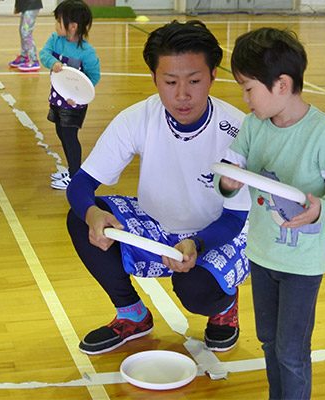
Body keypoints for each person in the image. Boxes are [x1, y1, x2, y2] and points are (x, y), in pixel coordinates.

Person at [66, 20, 251, 355]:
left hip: (214, 234)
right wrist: (93, 213)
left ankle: (223, 309)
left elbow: (235, 219)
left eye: (194, 81)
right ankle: (132, 315)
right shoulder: (137, 118)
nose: (182, 94)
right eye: (169, 82)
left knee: (194, 288)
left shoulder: (238, 131)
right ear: (154, 79)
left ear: (213, 77)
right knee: (80, 218)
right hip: (155, 227)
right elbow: (81, 185)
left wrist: (196, 242)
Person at [218, 28, 325, 400]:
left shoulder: (323, 131)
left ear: (281, 84)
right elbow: (229, 169)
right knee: (267, 342)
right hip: (262, 254)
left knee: (291, 352)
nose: (245, 99)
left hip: (303, 265)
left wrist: (320, 210)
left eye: (249, 89)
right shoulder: (253, 126)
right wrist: (228, 183)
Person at [39, 0, 100, 190]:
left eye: (59, 21)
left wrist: (79, 97)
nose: (56, 25)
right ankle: (72, 168)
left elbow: (93, 78)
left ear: (72, 26)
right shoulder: (55, 39)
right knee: (60, 131)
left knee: (69, 134)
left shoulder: (87, 52)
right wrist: (52, 62)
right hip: (58, 96)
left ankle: (75, 176)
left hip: (74, 101)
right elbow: (43, 54)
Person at [0, 0, 43, 72]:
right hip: (27, 6)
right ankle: (24, 57)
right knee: (23, 31)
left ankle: (33, 60)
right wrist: (17, 7)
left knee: (26, 33)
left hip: (32, 5)